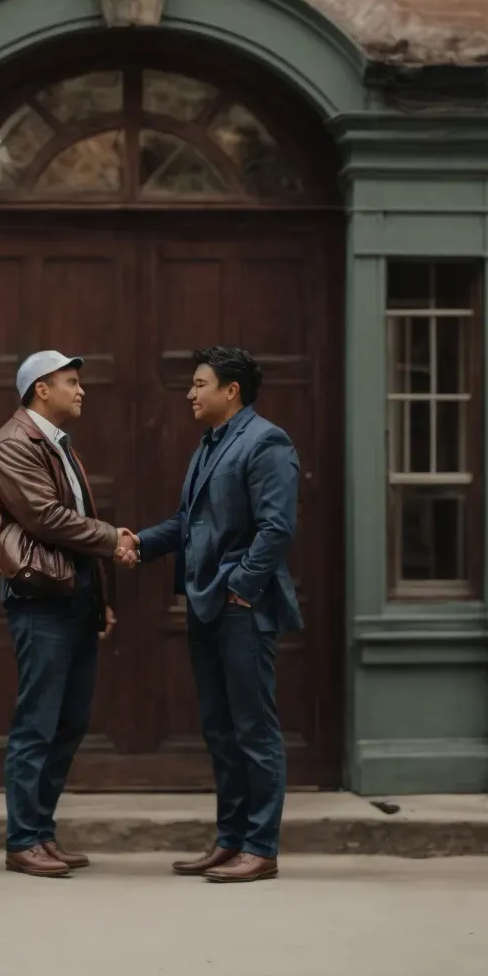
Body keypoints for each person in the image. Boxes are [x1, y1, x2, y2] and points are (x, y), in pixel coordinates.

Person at [116, 346, 300, 884]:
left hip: (241, 607)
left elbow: (277, 529)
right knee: (220, 730)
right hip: (205, 605)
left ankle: (260, 848)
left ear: (231, 391)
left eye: (200, 384)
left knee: (254, 730)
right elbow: (188, 522)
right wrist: (139, 543)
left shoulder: (266, 441)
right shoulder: (210, 444)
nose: (190, 394)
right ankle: (230, 839)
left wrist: (241, 587)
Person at [0, 350, 122, 878]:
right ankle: (23, 840)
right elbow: (46, 518)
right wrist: (114, 539)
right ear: (42, 388)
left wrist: (98, 597)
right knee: (38, 722)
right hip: (40, 599)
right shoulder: (14, 443)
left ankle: (41, 832)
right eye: (71, 381)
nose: (81, 390)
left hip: (73, 596)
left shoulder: (56, 443)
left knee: (70, 720)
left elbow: (72, 522)